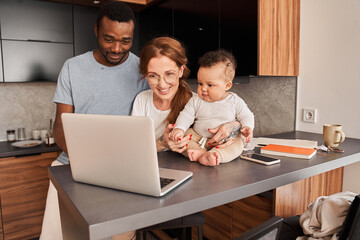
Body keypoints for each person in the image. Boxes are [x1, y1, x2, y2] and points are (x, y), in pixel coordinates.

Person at [40, 2, 148, 240]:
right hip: (74, 164)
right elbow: (60, 129)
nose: (117, 48)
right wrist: (90, 163)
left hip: (123, 168)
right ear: (96, 31)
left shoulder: (143, 70)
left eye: (126, 40)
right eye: (109, 39)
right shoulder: (73, 68)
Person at [132, 37, 245, 155]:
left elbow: (237, 123)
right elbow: (133, 145)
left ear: (181, 70)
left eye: (169, 74)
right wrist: (163, 144)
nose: (162, 84)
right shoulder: (142, 100)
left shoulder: (198, 101)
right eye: (153, 76)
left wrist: (235, 126)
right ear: (145, 75)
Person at [169, 50, 254, 166]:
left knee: (238, 143)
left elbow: (246, 115)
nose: (203, 89)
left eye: (210, 85)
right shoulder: (196, 100)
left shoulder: (234, 101)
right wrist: (179, 129)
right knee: (184, 138)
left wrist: (247, 127)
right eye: (200, 83)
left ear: (227, 85)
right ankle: (200, 153)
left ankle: (216, 155)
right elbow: (186, 115)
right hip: (198, 138)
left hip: (223, 142)